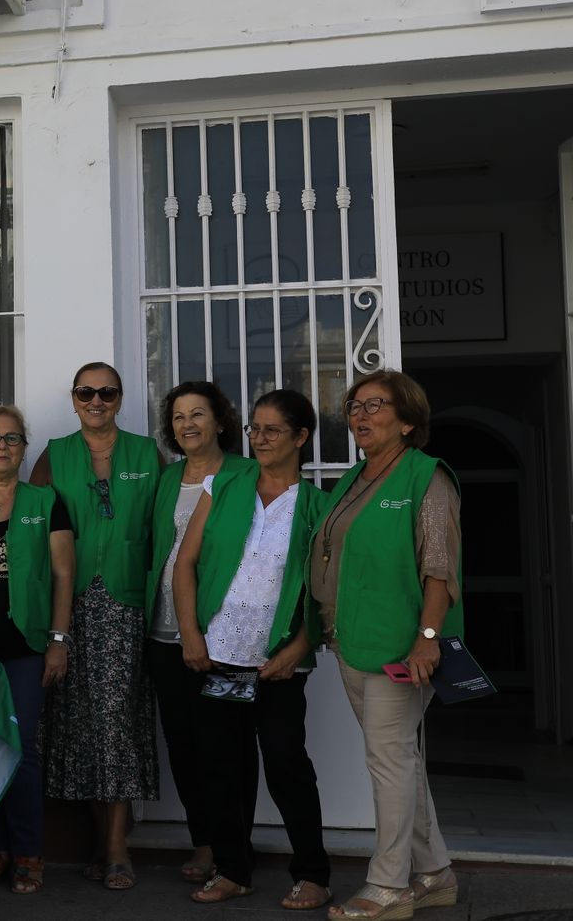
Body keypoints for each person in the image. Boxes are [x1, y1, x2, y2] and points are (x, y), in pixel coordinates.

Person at [170, 390, 331, 909]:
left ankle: (312, 873)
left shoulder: (316, 507)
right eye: (254, 430)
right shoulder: (225, 486)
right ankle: (233, 869)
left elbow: (327, 594)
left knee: (287, 765)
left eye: (271, 431)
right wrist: (192, 634)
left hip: (277, 664)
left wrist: (301, 647)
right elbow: (185, 564)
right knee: (218, 765)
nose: (259, 439)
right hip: (217, 655)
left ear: (301, 437)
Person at [312, 370, 463, 921]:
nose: (360, 415)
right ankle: (436, 873)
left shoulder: (426, 478)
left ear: (407, 420)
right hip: (353, 640)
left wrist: (427, 639)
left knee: (390, 759)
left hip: (403, 649)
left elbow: (439, 568)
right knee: (399, 760)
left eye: (376, 405)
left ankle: (389, 885)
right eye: (354, 405)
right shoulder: (354, 478)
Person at [34, 362, 162, 890]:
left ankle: (116, 847)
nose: (96, 400)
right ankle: (100, 841)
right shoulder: (53, 455)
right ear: (73, 398)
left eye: (106, 391)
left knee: (116, 722)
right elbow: (30, 522)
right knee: (77, 724)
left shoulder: (147, 453)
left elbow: (166, 527)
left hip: (128, 606)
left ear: (120, 397)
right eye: (86, 391)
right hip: (69, 607)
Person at [0, 405, 75, 896]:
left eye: (12, 439)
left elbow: (64, 575)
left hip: (24, 647)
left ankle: (28, 851)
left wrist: (58, 642)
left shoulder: (47, 501)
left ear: (25, 448)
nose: (1, 447)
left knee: (21, 750)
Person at [142, 379, 252, 889]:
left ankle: (234, 851)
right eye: (179, 416)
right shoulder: (167, 480)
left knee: (223, 748)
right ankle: (204, 840)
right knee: (182, 744)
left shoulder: (244, 475)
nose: (187, 424)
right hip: (163, 636)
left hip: (222, 638)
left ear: (221, 421)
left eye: (198, 414)